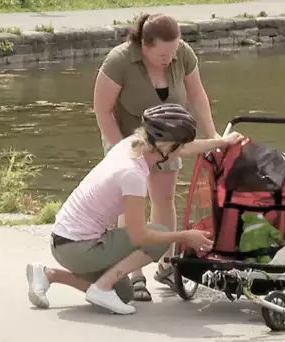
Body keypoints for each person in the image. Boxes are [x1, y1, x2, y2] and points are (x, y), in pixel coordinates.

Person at [26, 103, 245, 315]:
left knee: (123, 293)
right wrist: (185, 236)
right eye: (177, 145)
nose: (180, 150)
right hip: (77, 248)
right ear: (167, 146)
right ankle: (102, 287)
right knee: (160, 235)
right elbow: (138, 235)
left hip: (64, 240)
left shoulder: (132, 144)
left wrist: (223, 142)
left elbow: (184, 148)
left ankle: (48, 274)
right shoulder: (133, 175)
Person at [92, 12, 220, 301]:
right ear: (145, 45)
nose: (170, 58)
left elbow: (197, 94)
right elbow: (103, 110)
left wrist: (212, 137)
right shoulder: (119, 61)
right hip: (127, 138)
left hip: (167, 138)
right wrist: (120, 151)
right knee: (132, 203)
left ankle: (165, 265)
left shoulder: (181, 53)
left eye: (174, 51)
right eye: (163, 53)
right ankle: (134, 275)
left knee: (164, 199)